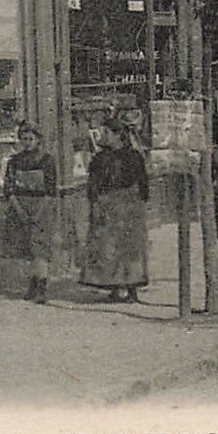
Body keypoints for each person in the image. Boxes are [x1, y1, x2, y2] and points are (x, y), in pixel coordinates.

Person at [81, 116, 149, 303]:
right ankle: (113, 286)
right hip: (106, 205)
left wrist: (140, 204)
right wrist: (94, 202)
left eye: (107, 133)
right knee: (107, 247)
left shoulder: (133, 157)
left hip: (128, 206)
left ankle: (131, 288)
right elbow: (93, 182)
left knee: (130, 247)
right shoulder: (100, 158)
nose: (103, 136)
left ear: (118, 135)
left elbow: (142, 183)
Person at [4, 122, 57, 304]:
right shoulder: (14, 162)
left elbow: (51, 191)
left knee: (40, 247)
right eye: (23, 139)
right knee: (25, 247)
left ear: (38, 140)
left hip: (41, 206)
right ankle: (32, 282)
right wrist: (18, 209)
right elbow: (9, 188)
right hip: (20, 205)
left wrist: (39, 212)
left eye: (30, 139)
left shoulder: (47, 161)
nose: (27, 143)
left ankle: (42, 285)